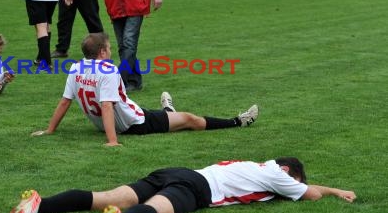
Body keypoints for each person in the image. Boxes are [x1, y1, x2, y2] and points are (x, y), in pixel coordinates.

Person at [8, 157, 356, 213]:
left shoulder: (253, 163)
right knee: (158, 212)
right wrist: (337, 190)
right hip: (197, 188)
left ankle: (42, 203)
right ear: (288, 172)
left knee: (106, 195)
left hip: (175, 172)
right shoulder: (277, 175)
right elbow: (310, 194)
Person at [31, 33, 258, 146]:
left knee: (161, 115)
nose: (111, 52)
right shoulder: (108, 70)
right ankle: (237, 121)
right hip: (134, 123)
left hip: (125, 117)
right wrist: (112, 141)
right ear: (101, 52)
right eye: (109, 48)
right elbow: (107, 106)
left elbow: (65, 101)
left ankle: (168, 112)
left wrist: (50, 130)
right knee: (190, 120)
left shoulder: (75, 68)